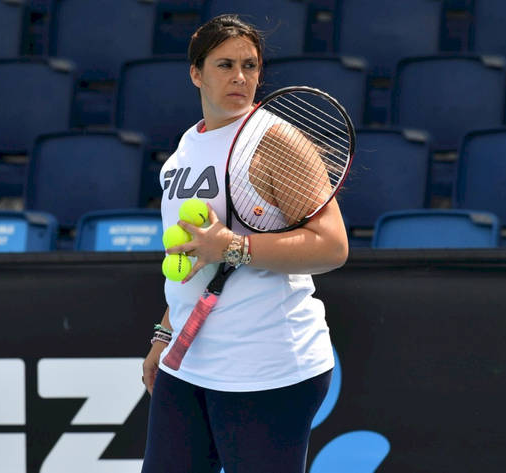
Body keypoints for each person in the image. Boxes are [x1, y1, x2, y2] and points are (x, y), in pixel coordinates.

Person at [140, 14, 349, 473]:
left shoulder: (275, 142)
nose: (240, 76)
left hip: (266, 367)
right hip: (188, 361)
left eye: (250, 65)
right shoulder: (184, 149)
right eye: (225, 64)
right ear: (196, 73)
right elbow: (194, 256)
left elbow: (332, 246)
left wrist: (234, 248)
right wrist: (165, 332)